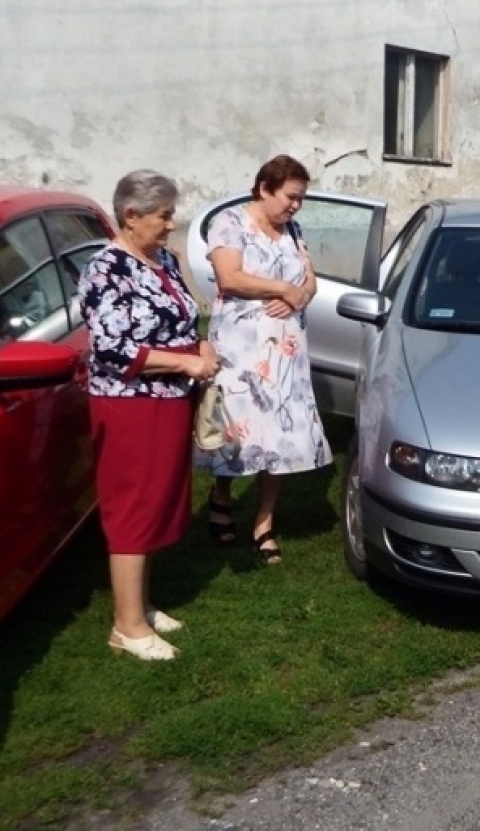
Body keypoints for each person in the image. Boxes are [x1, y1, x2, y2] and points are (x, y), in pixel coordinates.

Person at [78, 170, 219, 661]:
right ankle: (127, 626)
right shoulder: (105, 268)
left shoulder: (163, 260)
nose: (170, 224)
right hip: (129, 403)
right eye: (162, 216)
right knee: (132, 507)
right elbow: (115, 347)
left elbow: (182, 317)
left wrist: (200, 346)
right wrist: (185, 362)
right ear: (131, 216)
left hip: (166, 400)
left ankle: (139, 604)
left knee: (156, 499)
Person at [200, 155, 331, 564]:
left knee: (281, 436)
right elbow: (230, 277)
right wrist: (281, 289)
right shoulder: (230, 224)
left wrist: (301, 294)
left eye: (300, 199)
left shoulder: (293, 230)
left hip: (285, 352)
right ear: (264, 189)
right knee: (236, 429)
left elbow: (308, 280)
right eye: (291, 197)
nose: (296, 206)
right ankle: (221, 496)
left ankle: (264, 519)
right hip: (240, 349)